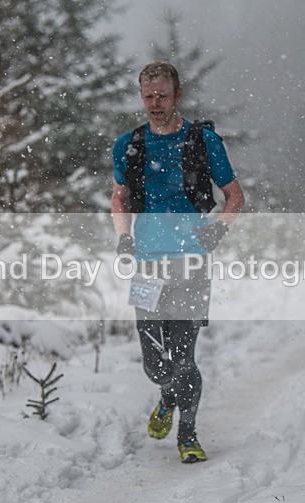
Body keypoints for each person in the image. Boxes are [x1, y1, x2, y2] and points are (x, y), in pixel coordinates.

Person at [111, 61, 245, 463]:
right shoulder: (128, 145)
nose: (155, 104)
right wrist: (123, 237)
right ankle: (167, 396)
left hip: (191, 264)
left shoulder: (204, 142)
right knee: (155, 364)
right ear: (141, 97)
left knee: (183, 357)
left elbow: (235, 196)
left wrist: (218, 230)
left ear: (178, 95)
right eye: (148, 96)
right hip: (147, 267)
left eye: (163, 96)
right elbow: (120, 197)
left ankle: (188, 435)